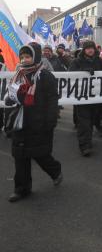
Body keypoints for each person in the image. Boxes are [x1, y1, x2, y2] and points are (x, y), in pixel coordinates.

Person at [5, 42, 62, 202]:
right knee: (20, 156)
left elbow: (52, 100)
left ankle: (55, 171)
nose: (24, 60)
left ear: (35, 57)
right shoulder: (17, 75)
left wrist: (50, 121)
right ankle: (21, 189)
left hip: (39, 123)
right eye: (22, 57)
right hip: (20, 122)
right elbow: (9, 96)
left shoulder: (45, 76)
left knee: (40, 154)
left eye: (28, 56)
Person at [69, 40, 102, 156]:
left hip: (95, 97)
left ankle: (88, 140)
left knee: (91, 121)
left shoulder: (99, 61)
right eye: (87, 48)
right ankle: (84, 146)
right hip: (82, 97)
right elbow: (70, 74)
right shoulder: (76, 61)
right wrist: (83, 72)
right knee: (84, 122)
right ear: (84, 50)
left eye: (92, 48)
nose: (90, 50)